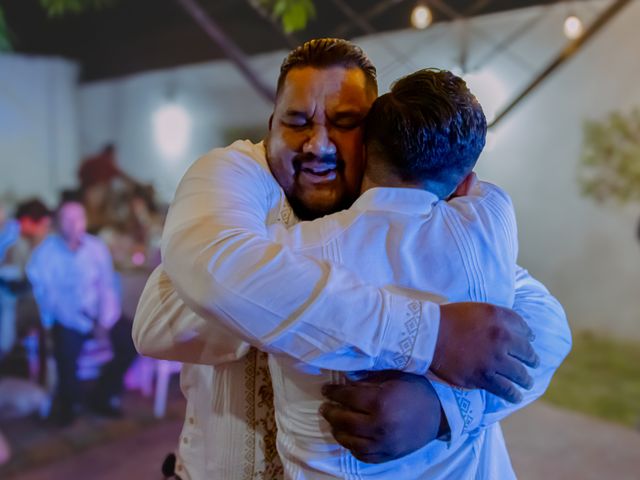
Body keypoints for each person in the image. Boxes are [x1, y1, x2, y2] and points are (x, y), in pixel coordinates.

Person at [133, 38, 571, 478]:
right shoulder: (234, 180)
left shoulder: (416, 212)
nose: (318, 145)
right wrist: (428, 335)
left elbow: (541, 325)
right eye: (297, 121)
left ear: (374, 136)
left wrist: (443, 411)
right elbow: (160, 318)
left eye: (344, 122)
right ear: (272, 126)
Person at [27, 198, 136, 425]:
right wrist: (82, 321)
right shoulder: (44, 255)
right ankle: (70, 404)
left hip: (98, 313)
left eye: (78, 218)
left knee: (133, 341)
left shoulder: (96, 248)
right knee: (65, 354)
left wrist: (104, 322)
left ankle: (102, 396)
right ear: (58, 223)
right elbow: (50, 299)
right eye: (68, 219)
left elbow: (107, 286)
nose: (74, 224)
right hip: (68, 318)